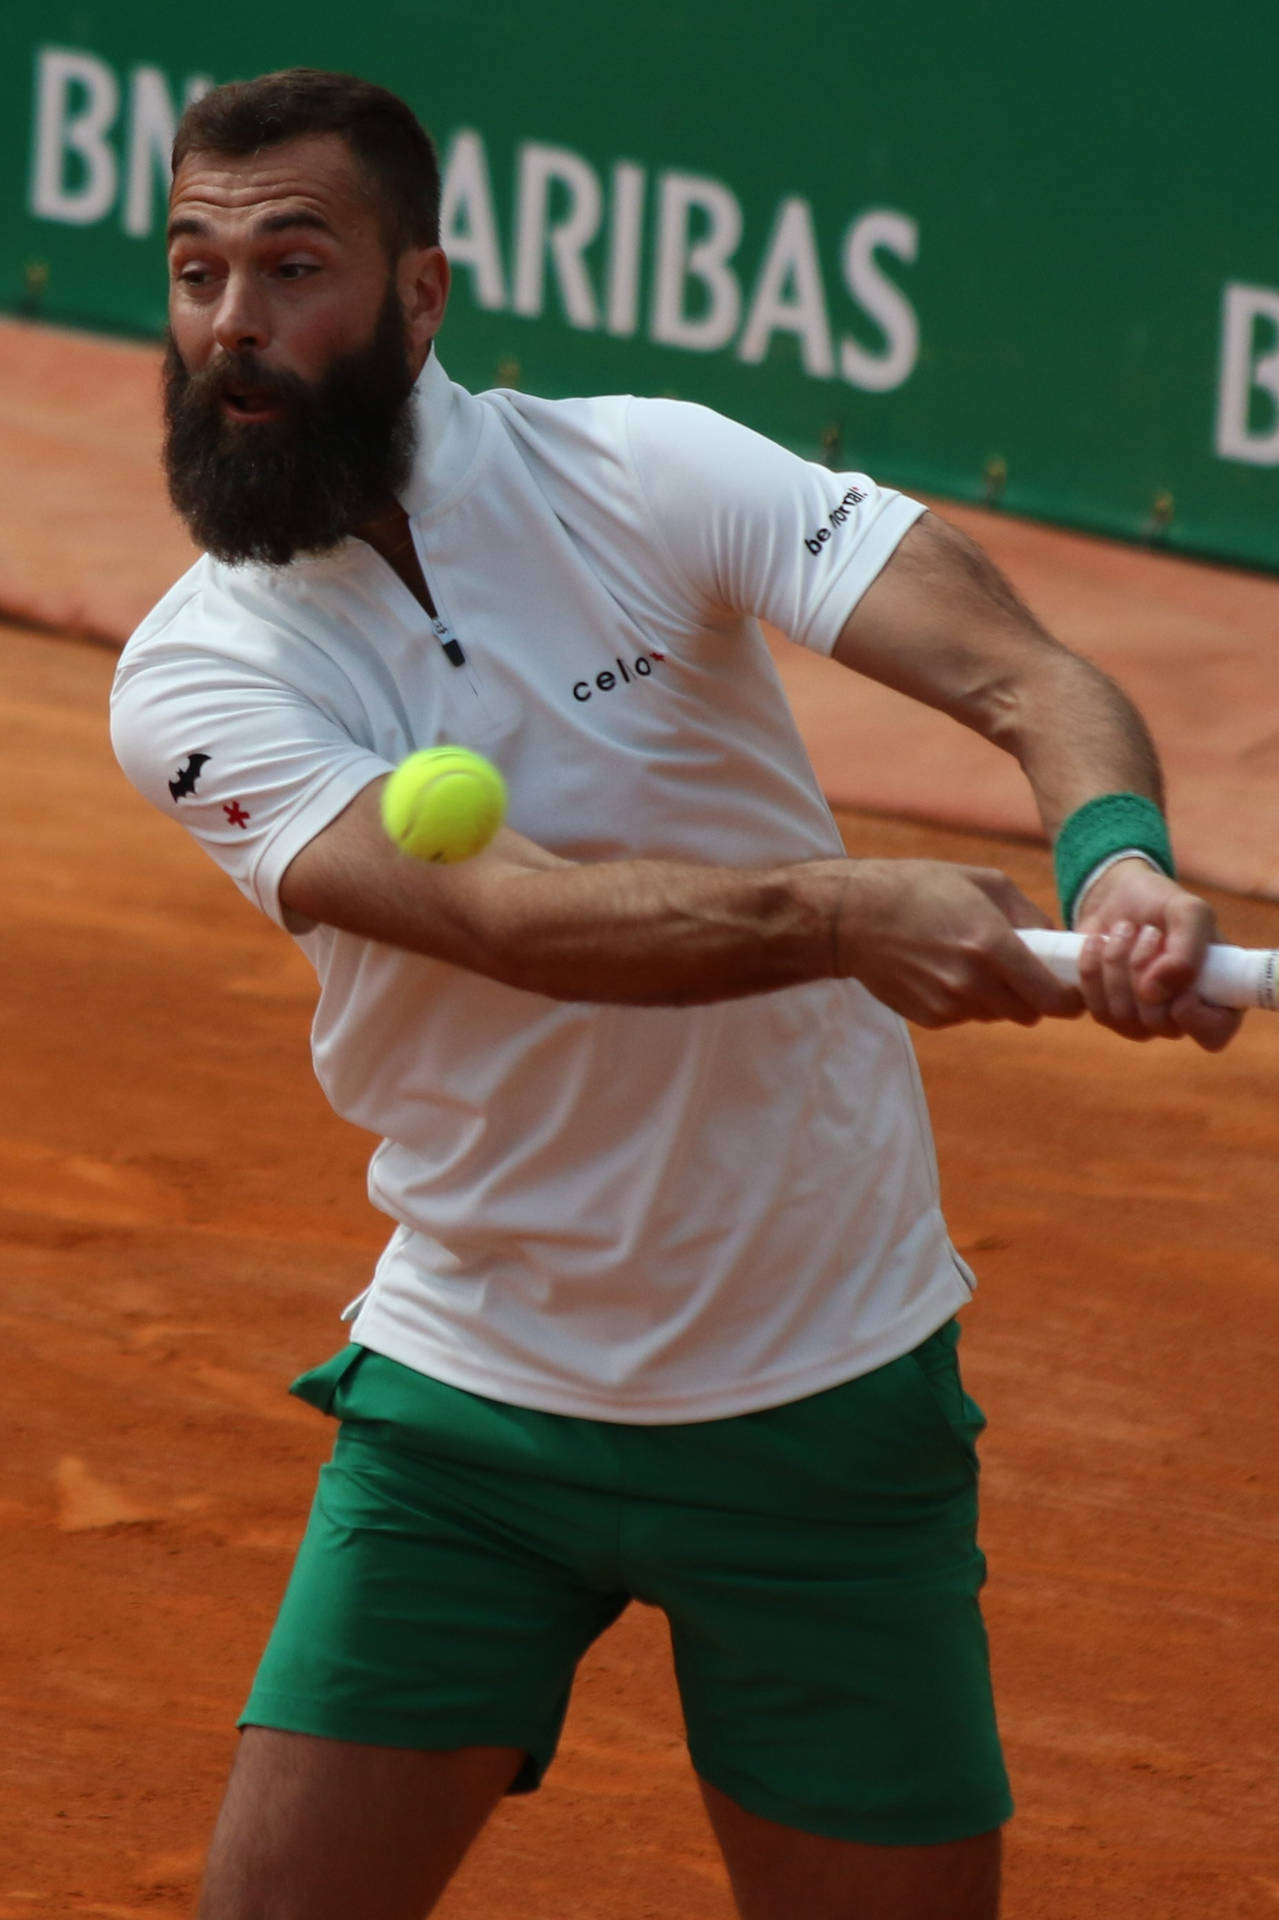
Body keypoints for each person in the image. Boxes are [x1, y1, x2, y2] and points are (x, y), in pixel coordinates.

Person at [108, 67, 1239, 1920]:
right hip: (475, 1399)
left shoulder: (649, 471)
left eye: (290, 268)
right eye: (193, 270)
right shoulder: (194, 674)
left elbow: (1024, 676)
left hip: (826, 1385)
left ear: (417, 297)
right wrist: (846, 913)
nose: (231, 327)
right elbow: (514, 924)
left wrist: (1110, 856)